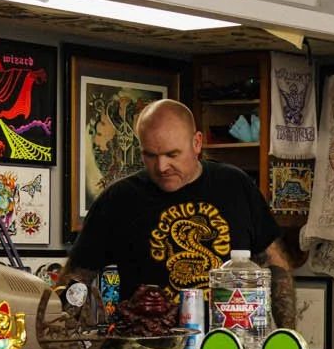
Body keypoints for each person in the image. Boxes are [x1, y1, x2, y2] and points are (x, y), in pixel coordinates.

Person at [67, 100, 292, 299]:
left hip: (229, 337)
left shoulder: (235, 185)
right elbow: (75, 277)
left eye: (172, 155)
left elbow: (276, 266)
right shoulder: (118, 199)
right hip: (146, 340)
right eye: (150, 155)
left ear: (197, 143)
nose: (162, 167)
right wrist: (62, 332)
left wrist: (287, 337)